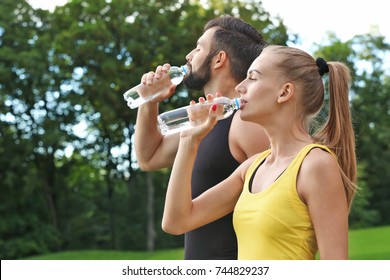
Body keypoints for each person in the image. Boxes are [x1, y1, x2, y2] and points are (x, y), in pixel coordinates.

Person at [162, 45, 358, 260]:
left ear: (284, 92)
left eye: (252, 78)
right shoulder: (253, 166)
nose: (240, 87)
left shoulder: (315, 164)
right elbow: (176, 222)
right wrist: (189, 140)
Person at [134, 16, 270, 260]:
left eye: (198, 47)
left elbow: (275, 205)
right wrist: (149, 102)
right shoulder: (203, 120)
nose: (188, 55)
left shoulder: (246, 123)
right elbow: (149, 158)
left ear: (219, 59)